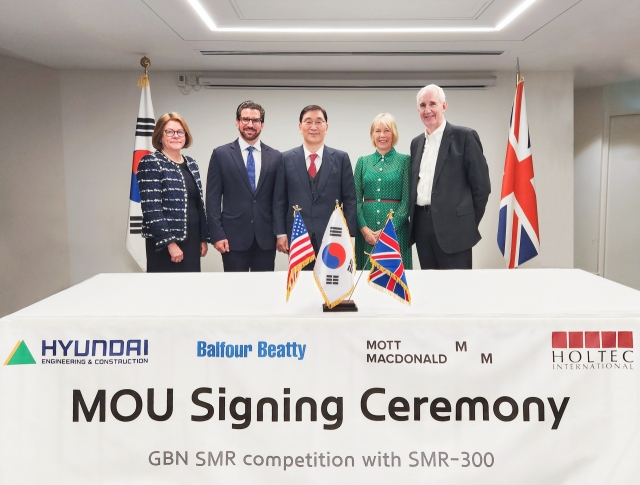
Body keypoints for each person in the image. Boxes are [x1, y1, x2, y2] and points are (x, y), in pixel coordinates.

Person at [409, 84, 491, 270]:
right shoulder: (416, 143)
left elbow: (482, 187)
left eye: (433, 104)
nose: (427, 110)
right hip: (422, 227)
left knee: (456, 290)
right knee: (430, 289)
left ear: (444, 106)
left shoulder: (465, 137)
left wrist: (466, 223)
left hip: (456, 230)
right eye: (422, 105)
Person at [273, 105, 356, 268]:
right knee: (301, 286)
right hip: (297, 237)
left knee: (330, 287)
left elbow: (350, 200)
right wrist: (280, 233)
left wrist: (349, 235)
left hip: (333, 237)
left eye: (319, 122)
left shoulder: (341, 158)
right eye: (308, 121)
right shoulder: (286, 158)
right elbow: (279, 200)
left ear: (326, 127)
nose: (313, 127)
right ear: (300, 127)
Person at [206, 101, 281, 272]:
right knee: (234, 291)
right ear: (237, 122)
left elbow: (279, 200)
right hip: (232, 239)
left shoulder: (276, 157)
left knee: (263, 292)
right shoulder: (221, 154)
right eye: (245, 119)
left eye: (255, 120)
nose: (250, 125)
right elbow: (212, 199)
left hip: (266, 239)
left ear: (262, 124)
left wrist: (280, 233)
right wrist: (217, 234)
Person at [138, 112, 209, 272]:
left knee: (190, 290)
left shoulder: (191, 163)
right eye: (169, 132)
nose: (175, 136)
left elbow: (198, 204)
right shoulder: (151, 162)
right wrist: (170, 243)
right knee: (166, 292)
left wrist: (203, 238)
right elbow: (151, 208)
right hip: (165, 244)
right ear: (159, 136)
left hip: (192, 239)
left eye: (180, 131)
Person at [354, 113, 412, 270]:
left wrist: (389, 230)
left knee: (395, 278)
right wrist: (364, 230)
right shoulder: (362, 162)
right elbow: (356, 201)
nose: (382, 135)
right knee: (366, 276)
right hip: (367, 231)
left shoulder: (405, 161)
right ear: (372, 135)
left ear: (394, 133)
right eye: (377, 131)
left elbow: (406, 202)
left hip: (396, 231)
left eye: (387, 130)